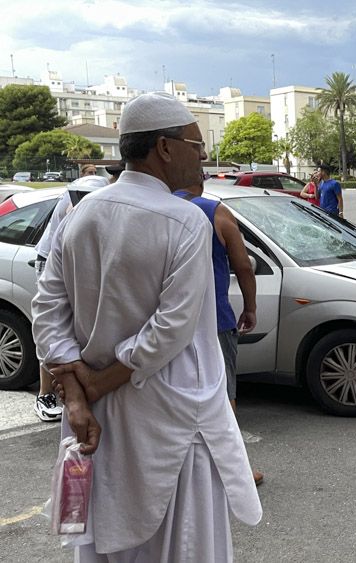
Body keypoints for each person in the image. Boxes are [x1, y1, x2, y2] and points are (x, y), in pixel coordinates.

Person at [33, 91, 262, 560]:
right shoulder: (184, 220)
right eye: (197, 146)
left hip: (98, 420)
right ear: (164, 147)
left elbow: (47, 311)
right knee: (182, 544)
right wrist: (91, 389)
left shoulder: (81, 215)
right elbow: (171, 330)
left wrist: (78, 395)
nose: (202, 158)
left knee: (109, 540)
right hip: (173, 417)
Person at [173, 180, 262, 486]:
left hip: (166, 321)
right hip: (214, 319)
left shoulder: (156, 209)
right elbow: (244, 267)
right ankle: (234, 469)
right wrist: (250, 308)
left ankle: (182, 468)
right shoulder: (215, 212)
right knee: (223, 394)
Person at [31, 175, 110, 422]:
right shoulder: (73, 207)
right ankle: (46, 394)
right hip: (50, 260)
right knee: (55, 324)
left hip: (72, 259)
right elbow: (63, 247)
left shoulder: (97, 200)